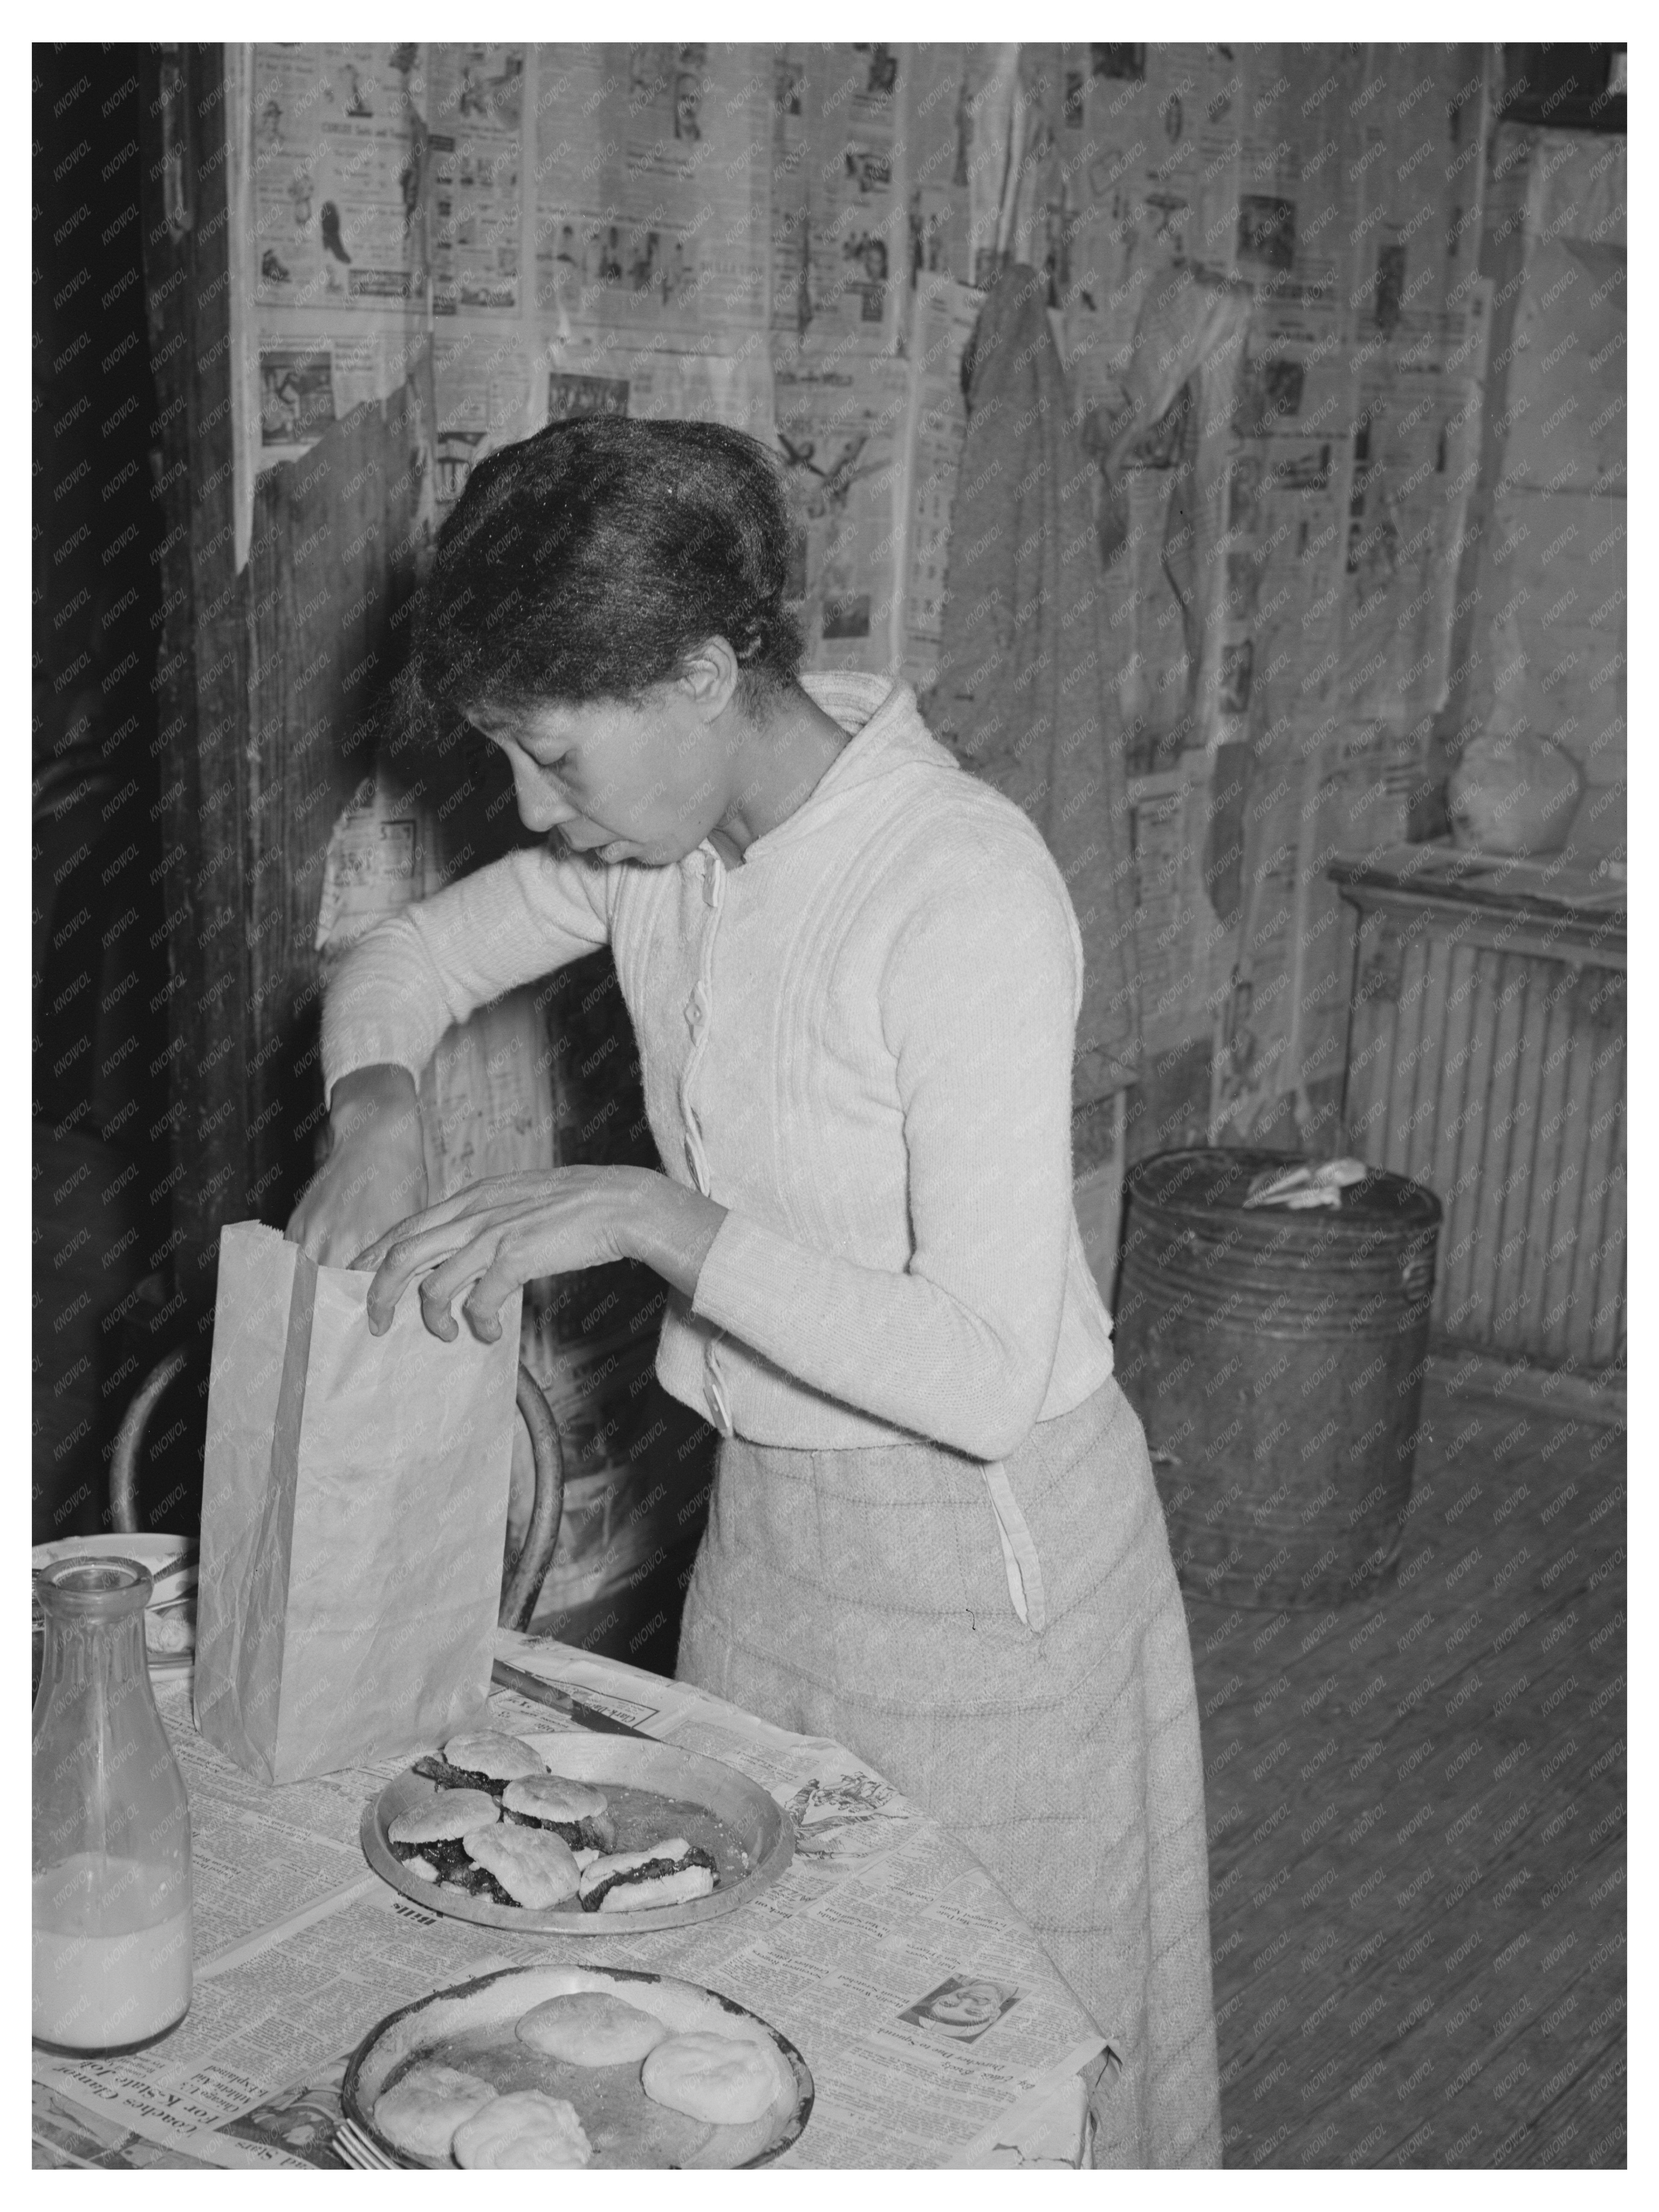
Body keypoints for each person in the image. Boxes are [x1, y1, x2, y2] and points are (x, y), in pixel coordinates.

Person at [287, 416, 1220, 2168]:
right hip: (770, 1546)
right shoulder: (671, 846)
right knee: (765, 2034)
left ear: (705, 676)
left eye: (553, 755)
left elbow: (981, 1370)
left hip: (986, 1580)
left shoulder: (957, 885)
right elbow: (406, 959)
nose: (533, 809)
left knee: (993, 2076)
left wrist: (653, 1215)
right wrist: (381, 1111)